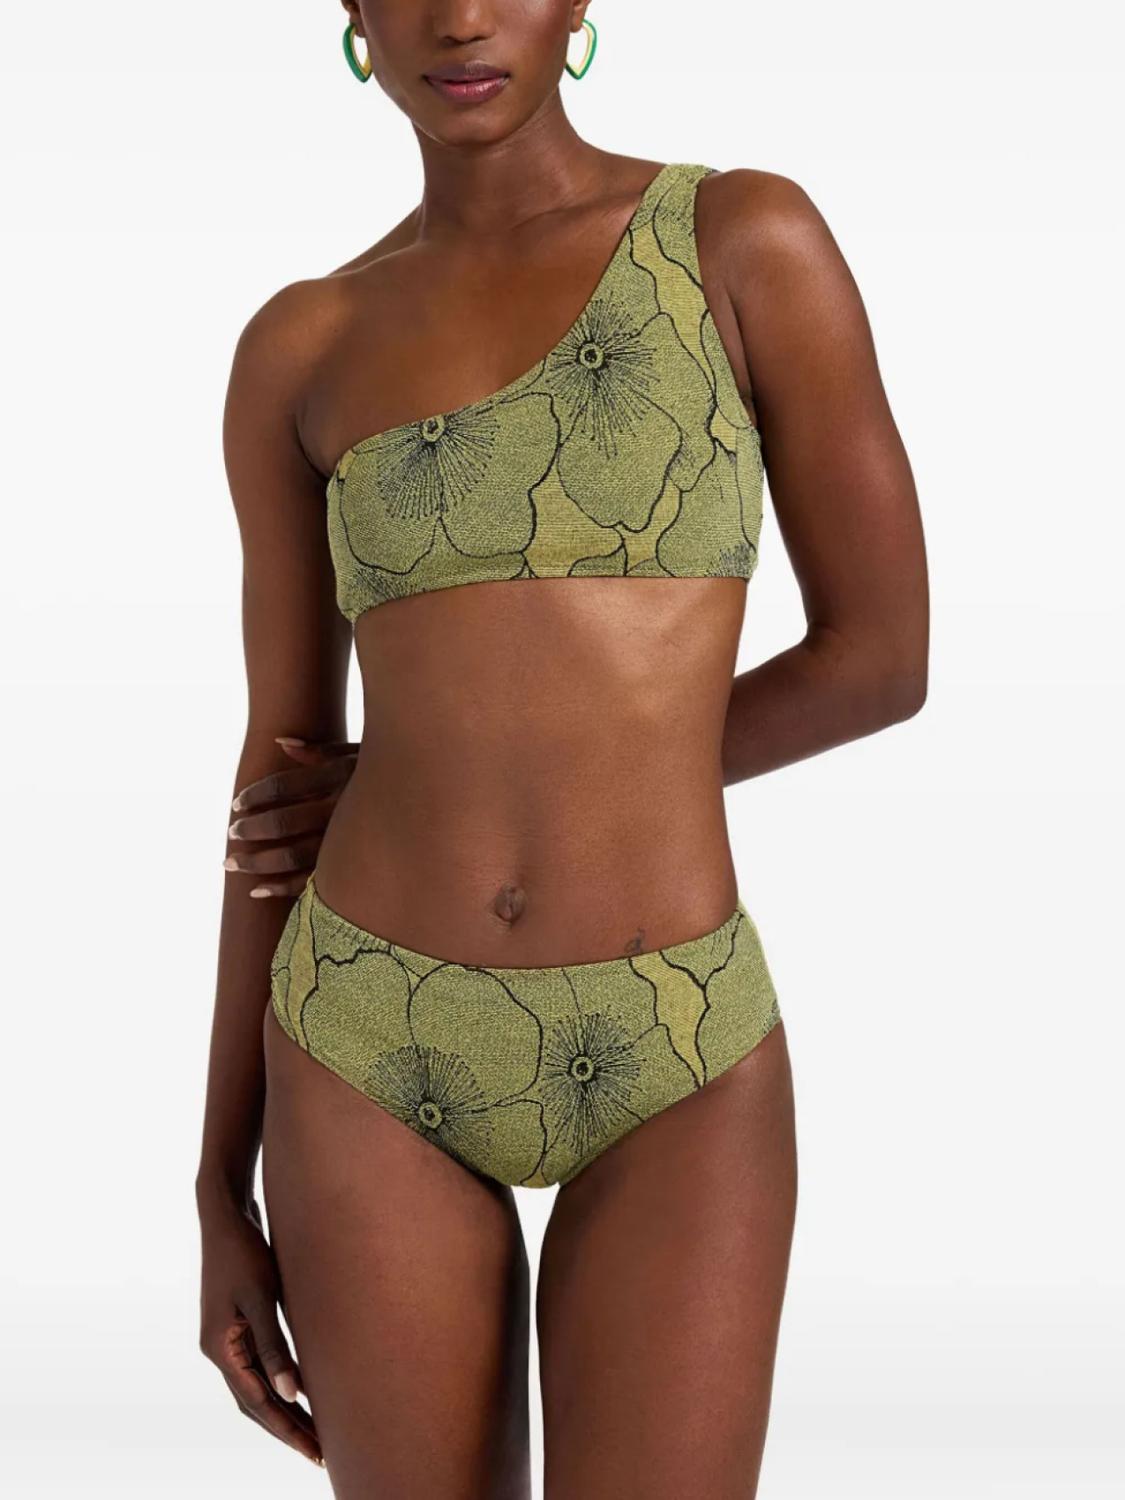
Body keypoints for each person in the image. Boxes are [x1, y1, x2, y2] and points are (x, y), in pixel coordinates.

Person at [195, 2, 929, 1494]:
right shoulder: (302, 343)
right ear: (349, 13)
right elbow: (279, 790)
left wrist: (560, 764)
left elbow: (880, 659)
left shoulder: (739, 242)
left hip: (675, 1037)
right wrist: (218, 1181)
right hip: (361, 1033)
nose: (460, 18)